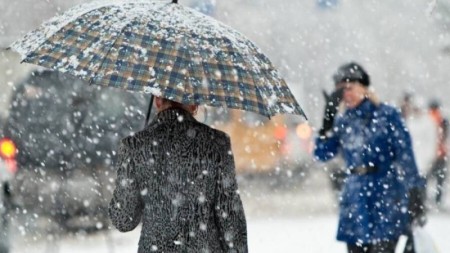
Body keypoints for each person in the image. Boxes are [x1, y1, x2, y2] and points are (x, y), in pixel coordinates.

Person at [108, 97, 248, 253]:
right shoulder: (217, 143)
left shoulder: (133, 146)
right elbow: (231, 218)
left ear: (158, 101)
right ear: (194, 105)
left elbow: (123, 220)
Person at [314, 62, 426, 253]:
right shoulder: (343, 121)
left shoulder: (387, 115)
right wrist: (326, 124)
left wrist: (415, 191)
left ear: (364, 88)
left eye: (349, 88)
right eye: (339, 90)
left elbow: (405, 155)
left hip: (385, 195)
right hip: (354, 198)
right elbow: (322, 154)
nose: (345, 94)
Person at [427, 99, 448, 206]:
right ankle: (437, 201)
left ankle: (423, 201)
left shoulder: (428, 119)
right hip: (440, 154)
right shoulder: (442, 120)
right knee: (439, 180)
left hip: (430, 155)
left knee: (427, 178)